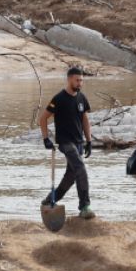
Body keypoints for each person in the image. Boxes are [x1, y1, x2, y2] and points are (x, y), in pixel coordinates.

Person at [39, 66, 95, 220]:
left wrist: (89, 141)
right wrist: (46, 139)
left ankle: (50, 200)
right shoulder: (59, 98)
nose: (80, 83)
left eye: (82, 80)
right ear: (69, 79)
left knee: (71, 177)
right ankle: (85, 206)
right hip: (65, 142)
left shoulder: (82, 98)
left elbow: (85, 119)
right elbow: (43, 118)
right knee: (81, 169)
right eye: (77, 80)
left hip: (78, 142)